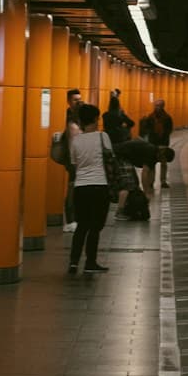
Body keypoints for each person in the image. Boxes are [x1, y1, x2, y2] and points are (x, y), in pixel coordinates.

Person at [65, 103, 112, 275]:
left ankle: (73, 263)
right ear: (95, 119)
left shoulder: (76, 140)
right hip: (99, 186)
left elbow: (74, 163)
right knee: (95, 227)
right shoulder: (102, 137)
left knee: (82, 226)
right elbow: (110, 158)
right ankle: (90, 262)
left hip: (81, 188)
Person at [60, 88, 83, 232]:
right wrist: (73, 161)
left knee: (76, 188)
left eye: (79, 99)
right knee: (72, 187)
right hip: (73, 159)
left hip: (80, 158)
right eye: (75, 100)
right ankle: (70, 220)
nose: (78, 102)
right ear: (69, 101)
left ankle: (75, 218)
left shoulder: (79, 115)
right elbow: (71, 141)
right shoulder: (68, 117)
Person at [141, 98, 174, 193]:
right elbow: (146, 128)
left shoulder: (167, 117)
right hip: (152, 143)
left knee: (163, 162)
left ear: (163, 106)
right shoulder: (150, 117)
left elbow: (169, 129)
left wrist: (164, 138)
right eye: (155, 105)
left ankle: (163, 181)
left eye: (159, 105)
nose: (157, 107)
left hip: (163, 143)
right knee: (152, 163)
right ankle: (151, 182)